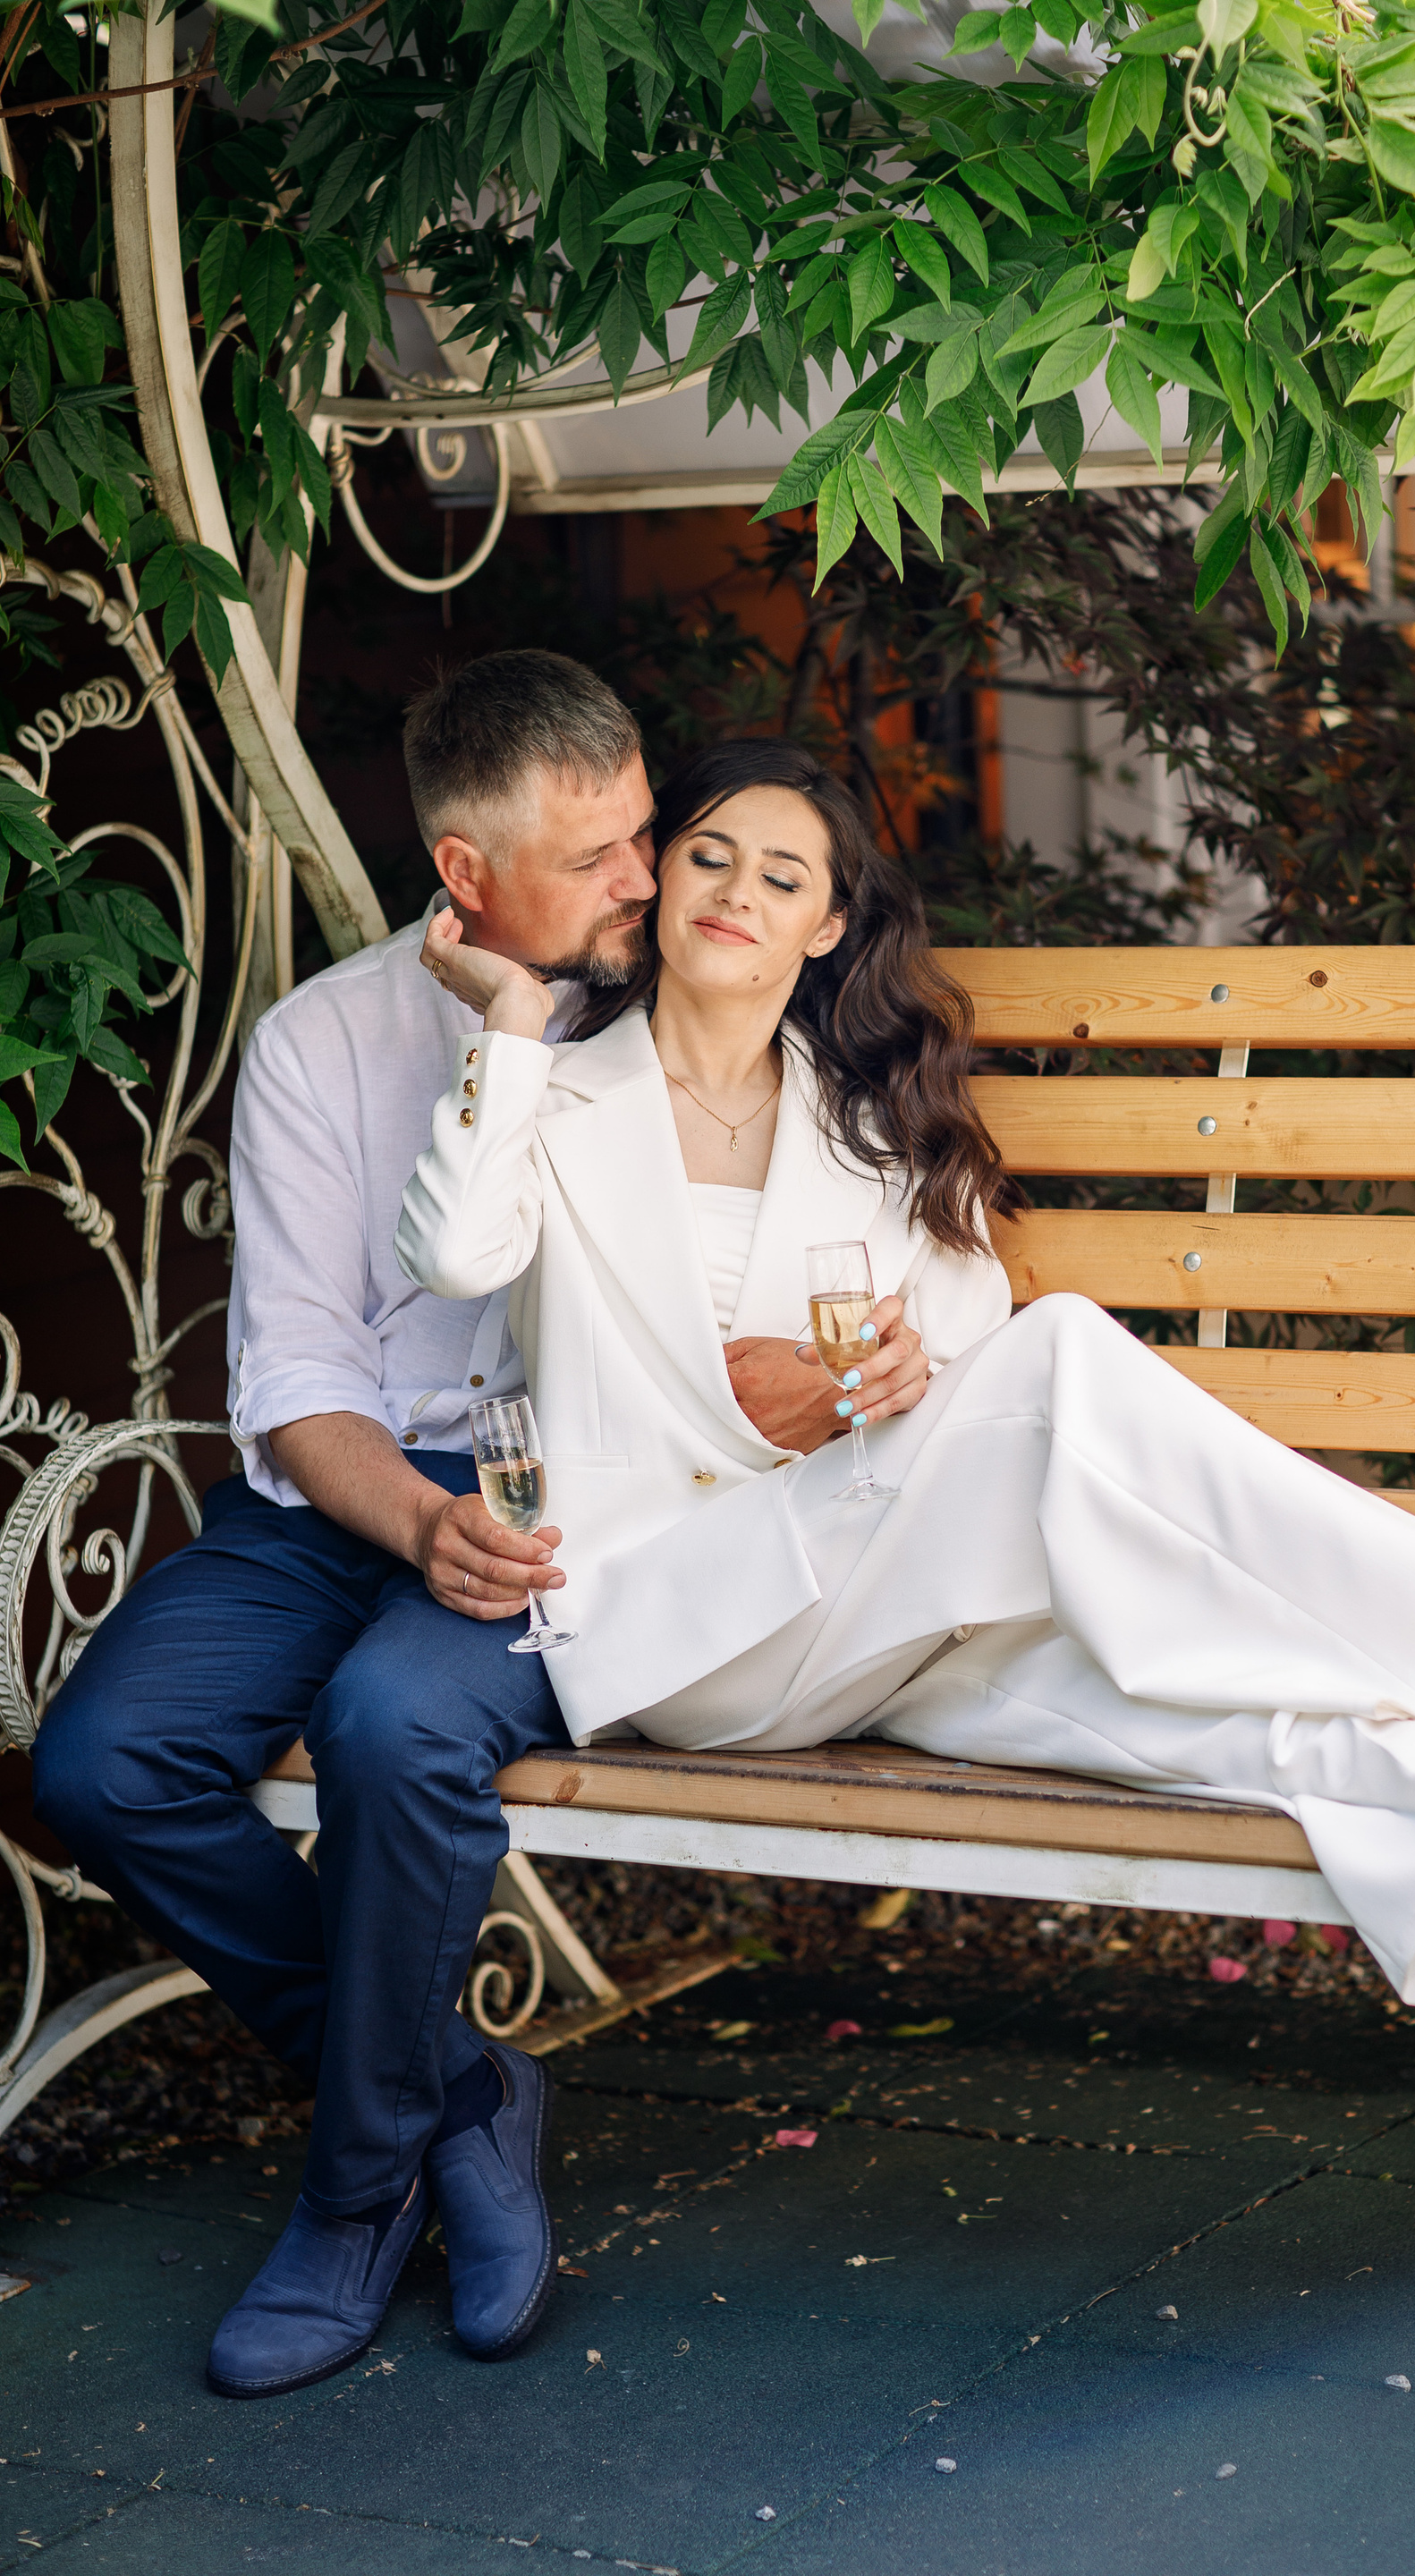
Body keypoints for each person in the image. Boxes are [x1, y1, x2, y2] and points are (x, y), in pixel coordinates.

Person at [399, 734, 1415, 2025]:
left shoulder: (866, 1125)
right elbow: (457, 1255)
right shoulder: (545, 1099)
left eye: (783, 877)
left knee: (1168, 1697)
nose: (740, 892)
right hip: (682, 1628)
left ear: (826, 927)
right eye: (711, 857)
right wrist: (512, 1019)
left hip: (881, 1604)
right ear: (659, 882)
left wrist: (901, 1373)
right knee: (1065, 1348)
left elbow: (965, 1353)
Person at [30, 656, 829, 2402]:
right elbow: (298, 1374)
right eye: (599, 856)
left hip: (575, 1497)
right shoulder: (325, 1043)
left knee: (395, 1726)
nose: (649, 879)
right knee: (103, 1762)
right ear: (466, 875)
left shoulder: (673, 1021)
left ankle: (347, 2200)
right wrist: (411, 1521)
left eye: (646, 834)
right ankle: (452, 2098)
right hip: (349, 1495)